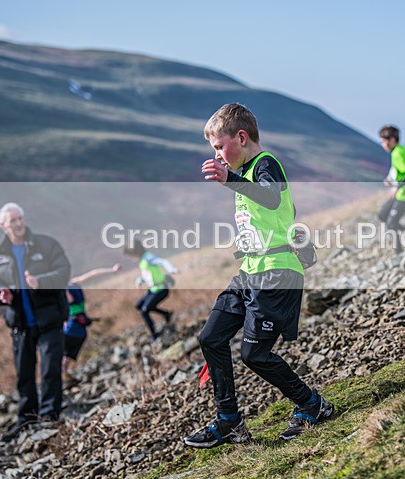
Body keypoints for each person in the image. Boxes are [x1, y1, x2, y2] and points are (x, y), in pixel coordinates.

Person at [182, 103, 333, 449]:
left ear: (241, 137)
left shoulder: (266, 164)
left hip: (276, 274)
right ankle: (229, 422)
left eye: (219, 146)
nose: (217, 155)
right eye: (213, 150)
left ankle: (312, 405)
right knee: (211, 338)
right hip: (250, 272)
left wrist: (230, 180)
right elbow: (285, 209)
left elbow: (270, 198)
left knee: (254, 355)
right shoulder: (248, 172)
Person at [0, 203, 70, 442]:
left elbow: (63, 272)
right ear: (3, 226)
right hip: (20, 324)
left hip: (50, 318)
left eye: (20, 218)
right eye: (12, 221)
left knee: (50, 369)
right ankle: (27, 418)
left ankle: (49, 417)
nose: (18, 224)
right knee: (24, 374)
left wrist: (41, 281)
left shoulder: (46, 244)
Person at [62, 264, 122, 389]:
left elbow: (68, 301)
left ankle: (63, 378)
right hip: (80, 330)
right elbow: (93, 273)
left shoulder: (64, 289)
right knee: (67, 356)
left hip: (71, 328)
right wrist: (111, 270)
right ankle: (65, 377)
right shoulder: (74, 283)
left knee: (61, 355)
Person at [124, 240, 177, 341]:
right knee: (138, 305)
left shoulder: (148, 257)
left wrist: (172, 269)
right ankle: (166, 314)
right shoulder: (142, 261)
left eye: (130, 255)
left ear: (135, 251)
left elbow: (163, 262)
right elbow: (147, 275)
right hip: (152, 290)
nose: (131, 258)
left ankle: (154, 335)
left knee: (144, 311)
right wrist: (140, 280)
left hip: (161, 290)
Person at [377, 125, 405, 238]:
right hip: (401, 192)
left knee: (391, 223)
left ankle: (401, 247)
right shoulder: (396, 152)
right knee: (382, 215)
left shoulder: (399, 152)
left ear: (392, 140)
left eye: (384, 142)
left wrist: (396, 187)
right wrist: (391, 181)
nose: (382, 145)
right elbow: (401, 172)